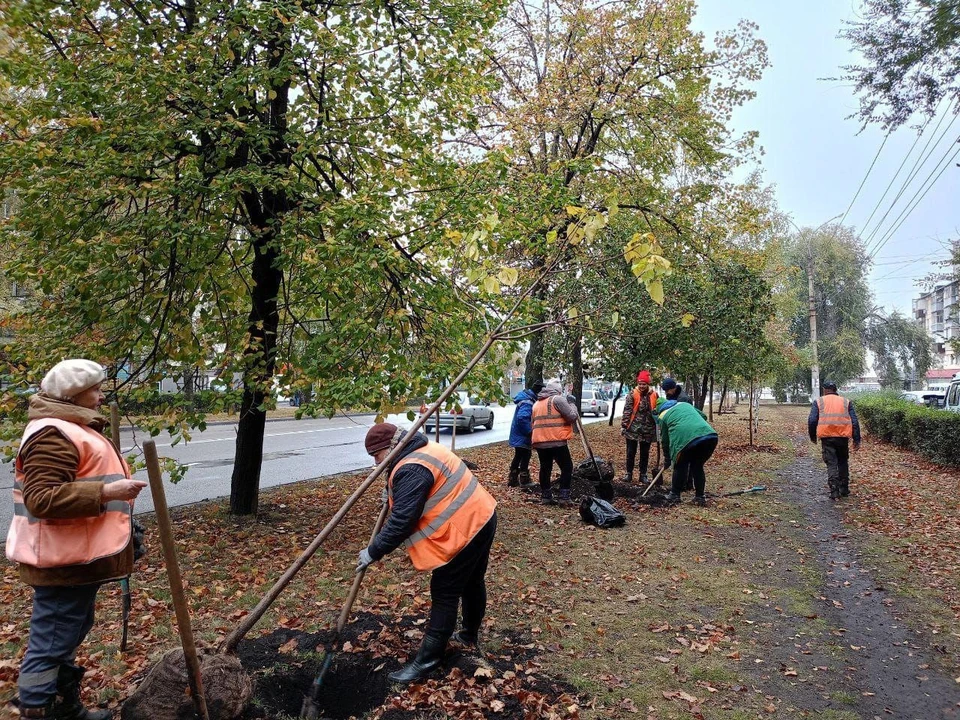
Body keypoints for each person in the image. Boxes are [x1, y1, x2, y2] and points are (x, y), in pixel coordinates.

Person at [7, 360, 147, 720]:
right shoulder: (52, 433)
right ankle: (37, 710)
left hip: (77, 558)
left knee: (67, 633)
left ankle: (64, 707)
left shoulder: (73, 426)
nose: (101, 396)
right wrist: (105, 491)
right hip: (61, 560)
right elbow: (41, 499)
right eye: (95, 389)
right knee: (52, 639)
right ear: (73, 393)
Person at [356, 422, 497, 684]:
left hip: (466, 528)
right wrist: (393, 495)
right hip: (482, 515)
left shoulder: (411, 467)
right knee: (472, 582)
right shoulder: (420, 451)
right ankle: (467, 636)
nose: (375, 463)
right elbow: (414, 496)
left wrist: (373, 551)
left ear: (390, 448)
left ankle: (427, 661)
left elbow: (402, 521)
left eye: (376, 456)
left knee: (445, 591)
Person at [657, 399, 718, 506]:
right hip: (709, 436)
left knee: (679, 465)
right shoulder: (684, 404)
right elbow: (703, 416)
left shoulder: (662, 416)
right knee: (697, 466)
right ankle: (700, 497)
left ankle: (674, 495)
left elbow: (665, 440)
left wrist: (667, 458)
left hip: (687, 440)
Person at [808, 380, 861, 500]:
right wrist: (856, 439)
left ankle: (834, 491)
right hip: (842, 437)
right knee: (842, 462)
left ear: (824, 390)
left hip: (827, 438)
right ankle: (844, 489)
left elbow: (812, 420)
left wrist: (812, 436)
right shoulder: (846, 402)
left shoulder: (819, 402)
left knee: (831, 463)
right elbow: (854, 422)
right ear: (835, 390)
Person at [530, 382, 580, 506]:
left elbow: (533, 423)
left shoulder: (537, 403)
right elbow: (572, 417)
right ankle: (564, 497)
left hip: (540, 442)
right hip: (556, 441)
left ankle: (546, 496)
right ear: (557, 391)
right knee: (567, 467)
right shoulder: (557, 399)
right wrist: (572, 403)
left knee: (545, 468)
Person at [620, 370, 658, 484]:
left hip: (648, 429)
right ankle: (629, 474)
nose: (642, 386)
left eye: (644, 384)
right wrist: (624, 425)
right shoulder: (632, 394)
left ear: (648, 384)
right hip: (633, 429)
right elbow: (627, 410)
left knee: (644, 453)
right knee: (630, 452)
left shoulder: (654, 395)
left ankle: (643, 475)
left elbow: (657, 410)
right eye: (640, 384)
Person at [507, 380, 544, 488]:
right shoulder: (528, 401)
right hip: (522, 434)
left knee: (518, 455)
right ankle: (524, 479)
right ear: (538, 392)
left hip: (518, 433)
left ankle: (513, 479)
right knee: (525, 455)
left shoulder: (526, 398)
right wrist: (530, 432)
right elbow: (522, 418)